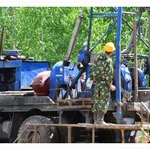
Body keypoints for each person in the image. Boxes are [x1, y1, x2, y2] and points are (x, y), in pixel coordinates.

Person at [89, 42, 116, 125]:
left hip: (97, 84)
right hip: (104, 84)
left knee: (97, 101)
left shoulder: (98, 59)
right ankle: (100, 120)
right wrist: (110, 85)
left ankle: (95, 120)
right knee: (103, 101)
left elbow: (91, 70)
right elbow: (109, 74)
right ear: (111, 52)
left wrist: (93, 79)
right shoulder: (108, 61)